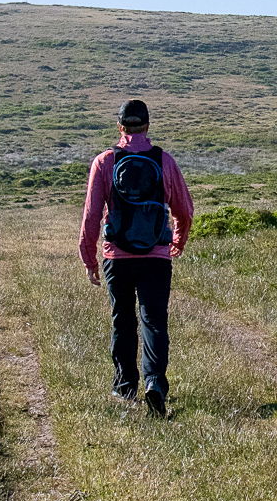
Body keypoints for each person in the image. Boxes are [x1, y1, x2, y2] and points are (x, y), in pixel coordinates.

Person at [79, 98, 194, 417]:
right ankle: (155, 384)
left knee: (122, 320)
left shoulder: (104, 162)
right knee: (154, 321)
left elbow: (91, 216)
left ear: (120, 127)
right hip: (156, 256)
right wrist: (177, 241)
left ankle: (125, 386)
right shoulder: (164, 161)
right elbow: (184, 210)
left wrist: (89, 258)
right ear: (147, 125)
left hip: (117, 256)